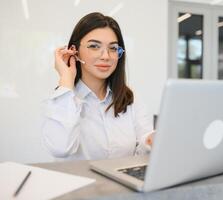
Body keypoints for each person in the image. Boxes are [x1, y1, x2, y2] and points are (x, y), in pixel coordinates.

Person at [42, 12, 154, 160]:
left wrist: (152, 141)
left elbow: (143, 153)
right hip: (80, 183)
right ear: (74, 51)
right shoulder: (62, 100)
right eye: (94, 46)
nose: (106, 56)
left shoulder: (130, 98)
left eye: (113, 48)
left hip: (124, 182)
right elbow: (60, 149)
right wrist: (65, 78)